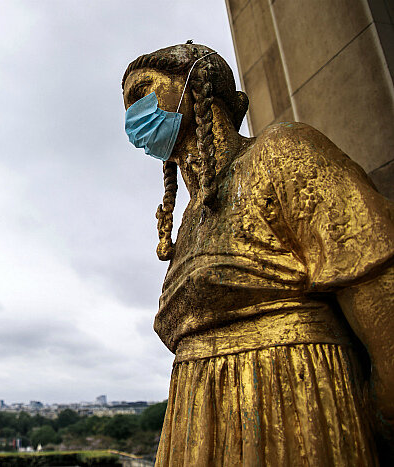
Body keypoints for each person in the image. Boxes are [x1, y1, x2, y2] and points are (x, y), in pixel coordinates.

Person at [122, 43, 394, 465]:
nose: (132, 118)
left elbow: (377, 282)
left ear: (197, 85)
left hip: (293, 398)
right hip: (197, 421)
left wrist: (386, 408)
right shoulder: (190, 217)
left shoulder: (282, 151)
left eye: (142, 93)